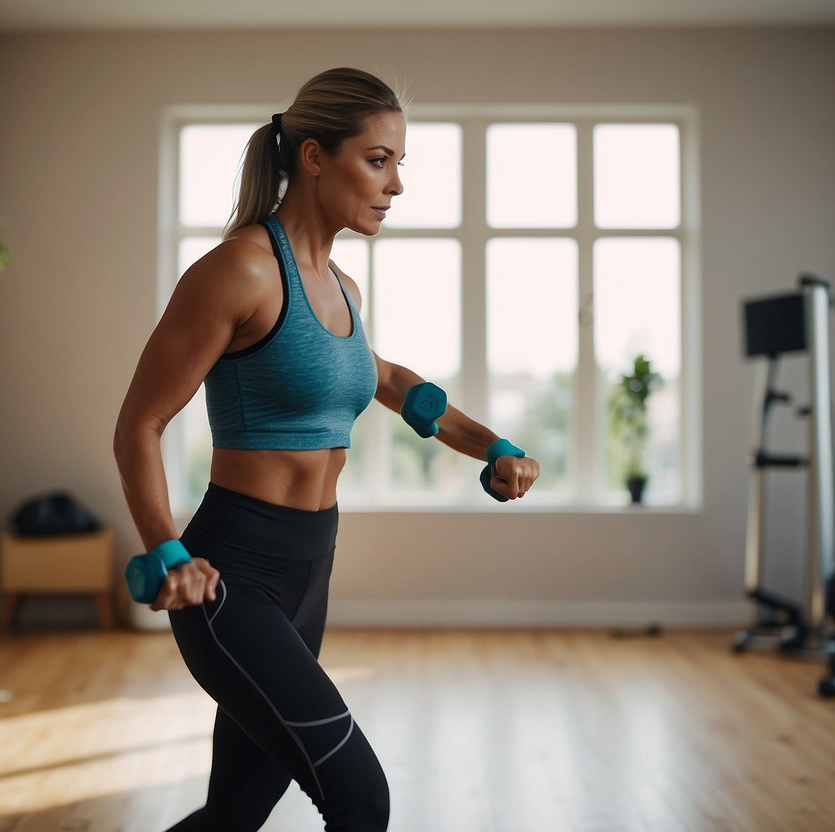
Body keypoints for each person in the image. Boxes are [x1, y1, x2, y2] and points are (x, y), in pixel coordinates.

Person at [113, 67, 541, 832]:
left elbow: (385, 379)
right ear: (314, 157)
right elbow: (139, 423)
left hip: (309, 564)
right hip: (232, 574)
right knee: (359, 797)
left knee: (237, 810)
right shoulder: (240, 269)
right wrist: (167, 552)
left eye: (399, 163)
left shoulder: (342, 285)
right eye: (378, 160)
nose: (396, 185)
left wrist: (491, 445)